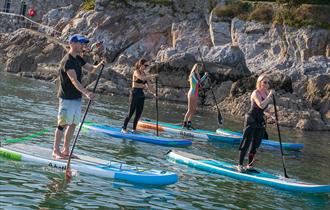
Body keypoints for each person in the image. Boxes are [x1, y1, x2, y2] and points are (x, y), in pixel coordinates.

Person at [52, 34, 105, 159]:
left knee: (73, 124)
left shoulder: (78, 59)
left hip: (76, 98)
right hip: (66, 98)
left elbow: (91, 69)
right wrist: (87, 92)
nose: (83, 45)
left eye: (83, 43)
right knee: (62, 125)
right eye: (81, 43)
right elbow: (74, 80)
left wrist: (100, 64)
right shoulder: (68, 61)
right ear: (72, 43)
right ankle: (55, 151)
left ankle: (65, 150)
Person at [237, 74, 275, 172]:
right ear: (259, 83)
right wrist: (270, 96)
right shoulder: (255, 93)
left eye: (268, 82)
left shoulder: (266, 93)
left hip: (259, 120)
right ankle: (240, 165)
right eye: (264, 82)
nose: (267, 84)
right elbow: (260, 105)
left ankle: (250, 165)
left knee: (256, 144)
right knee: (247, 142)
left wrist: (270, 115)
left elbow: (262, 110)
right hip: (251, 119)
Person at [121, 58, 157, 133]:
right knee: (130, 112)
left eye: (147, 66)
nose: (146, 67)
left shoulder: (145, 74)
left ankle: (134, 129)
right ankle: (124, 128)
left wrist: (155, 93)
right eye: (145, 65)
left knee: (138, 114)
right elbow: (141, 78)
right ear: (141, 64)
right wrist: (152, 76)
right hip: (134, 93)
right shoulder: (136, 72)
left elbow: (150, 86)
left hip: (141, 94)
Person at [182, 63, 208, 130]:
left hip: (196, 94)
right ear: (195, 68)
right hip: (191, 93)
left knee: (193, 110)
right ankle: (184, 124)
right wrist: (201, 78)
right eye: (197, 68)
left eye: (199, 68)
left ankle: (189, 124)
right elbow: (197, 82)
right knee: (190, 110)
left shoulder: (198, 75)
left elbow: (200, 81)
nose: (198, 69)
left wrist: (205, 76)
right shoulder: (192, 74)